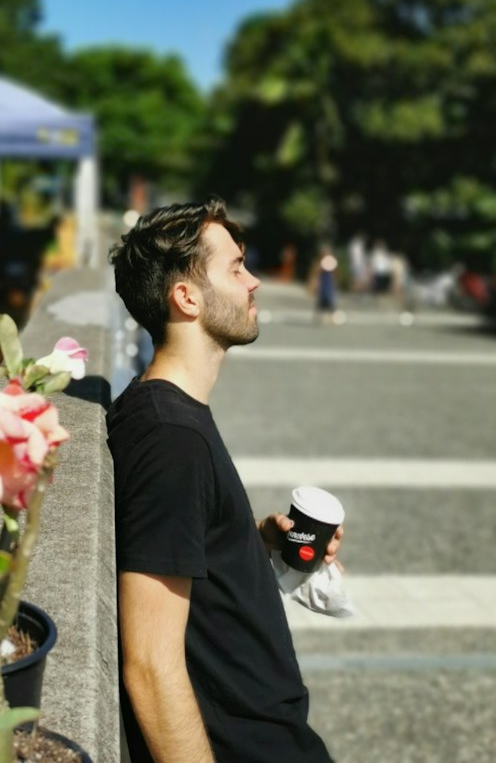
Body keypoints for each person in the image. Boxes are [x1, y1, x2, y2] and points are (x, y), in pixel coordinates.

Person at [107, 200, 341, 762]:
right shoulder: (172, 440)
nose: (253, 280)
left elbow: (181, 540)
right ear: (186, 297)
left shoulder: (164, 415)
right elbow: (151, 662)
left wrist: (255, 540)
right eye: (235, 268)